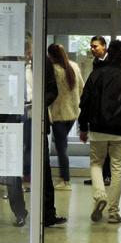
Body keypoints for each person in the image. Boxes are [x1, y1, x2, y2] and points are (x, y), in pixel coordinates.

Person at [78, 38, 121, 224]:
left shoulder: (96, 74)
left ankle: (100, 195)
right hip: (119, 130)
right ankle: (114, 212)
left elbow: (84, 102)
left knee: (96, 164)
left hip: (97, 128)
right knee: (117, 169)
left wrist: (83, 126)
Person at [48, 43, 84, 191]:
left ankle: (65, 179)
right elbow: (81, 87)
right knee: (62, 144)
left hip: (58, 113)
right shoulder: (74, 66)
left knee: (61, 147)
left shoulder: (54, 70)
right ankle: (64, 177)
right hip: (73, 113)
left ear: (51, 56)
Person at [85, 35, 111, 185]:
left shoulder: (109, 64)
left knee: (106, 147)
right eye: (92, 46)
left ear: (104, 46)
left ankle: (106, 176)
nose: (93, 49)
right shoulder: (96, 63)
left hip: (106, 112)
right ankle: (99, 175)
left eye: (95, 46)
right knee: (98, 148)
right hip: (96, 112)